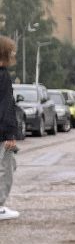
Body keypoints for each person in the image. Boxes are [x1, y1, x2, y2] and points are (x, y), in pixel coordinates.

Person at [0, 37, 22, 222]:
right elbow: (6, 106)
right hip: (1, 133)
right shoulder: (3, 76)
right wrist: (10, 134)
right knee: (6, 168)